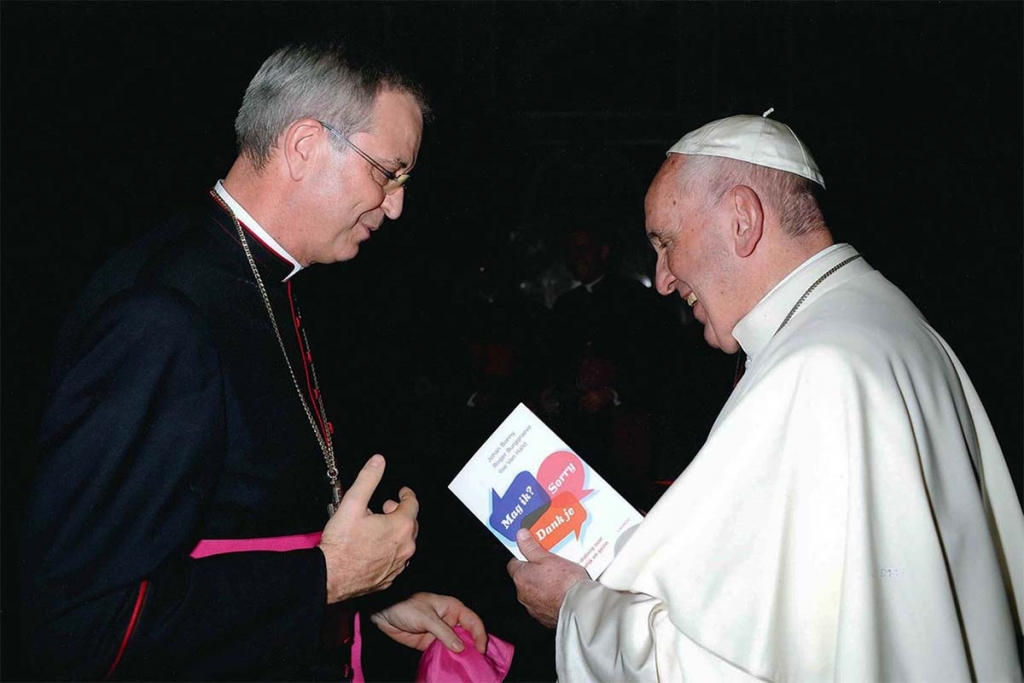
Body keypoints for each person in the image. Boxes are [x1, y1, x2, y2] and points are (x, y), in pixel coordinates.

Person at [20, 43, 487, 680]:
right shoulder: (161, 315)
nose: (396, 204)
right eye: (388, 172)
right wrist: (326, 579)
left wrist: (364, 601)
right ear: (304, 146)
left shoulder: (263, 275)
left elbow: (245, 523)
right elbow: (85, 625)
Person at [507, 111, 1024, 680]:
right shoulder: (880, 318)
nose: (663, 279)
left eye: (667, 242)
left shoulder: (815, 369)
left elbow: (728, 668)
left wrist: (576, 608)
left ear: (743, 219)